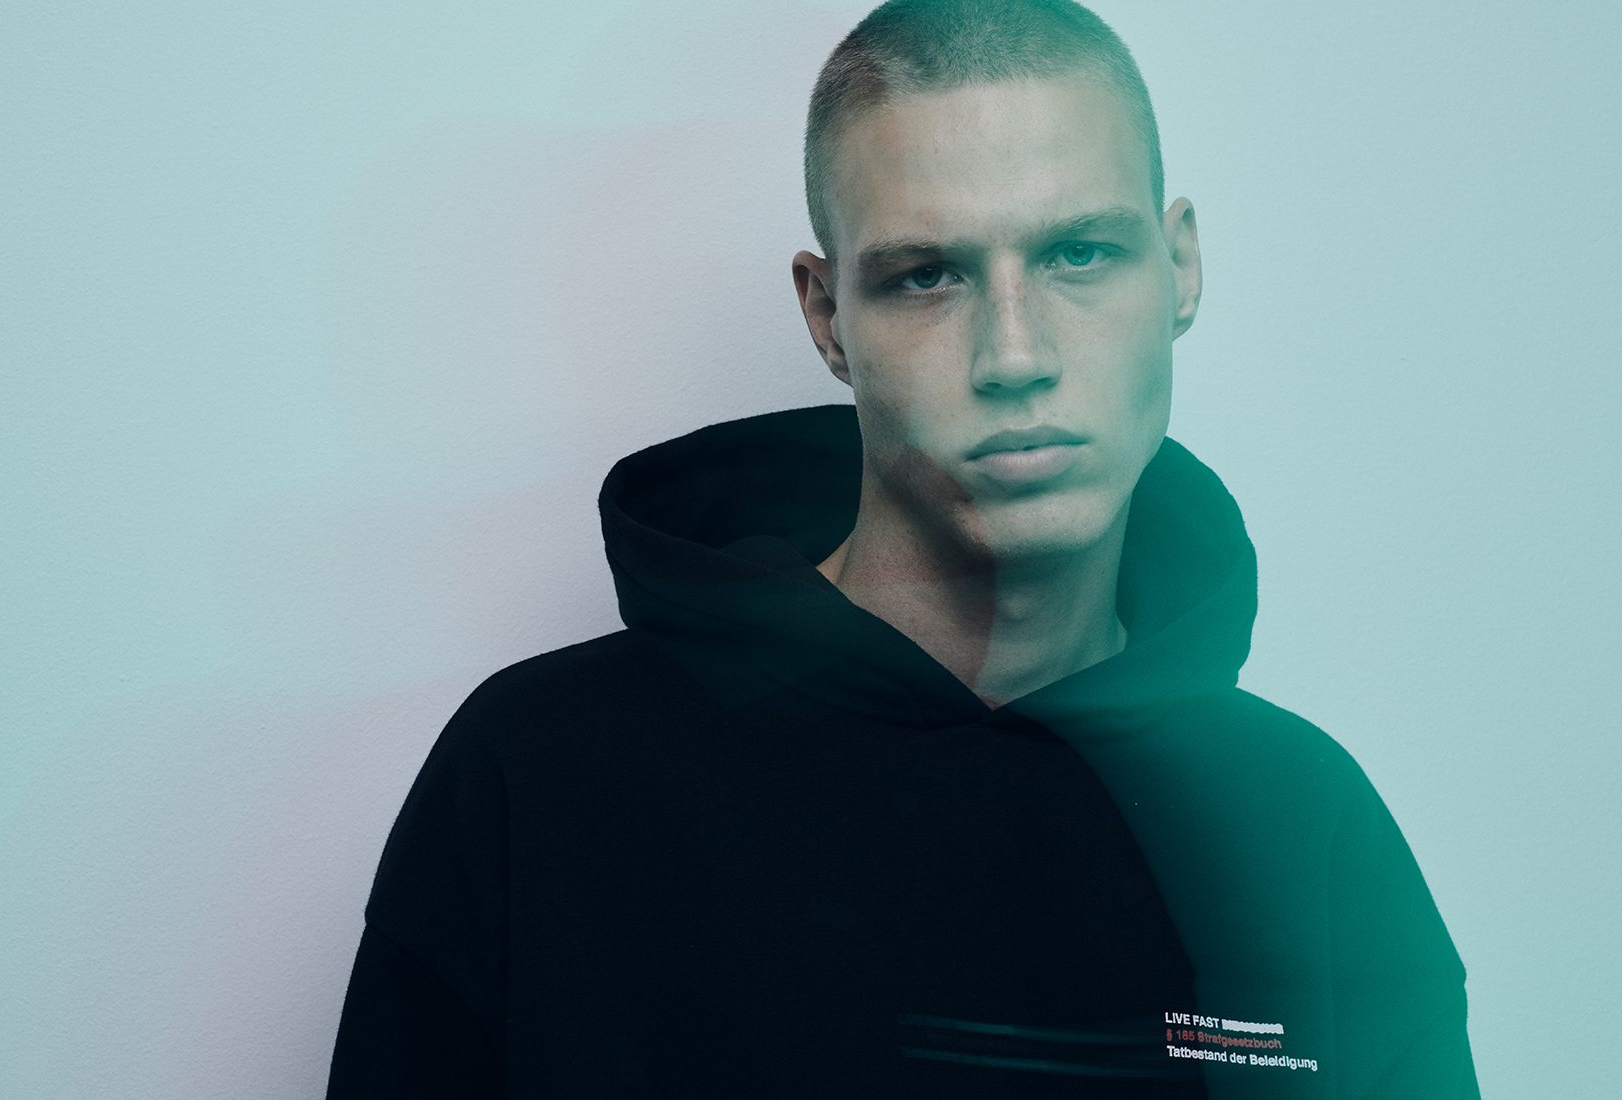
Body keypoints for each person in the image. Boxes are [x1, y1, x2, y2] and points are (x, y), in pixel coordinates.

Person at [325, 1, 1481, 1096]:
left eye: (1080, 253)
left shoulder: (1303, 828)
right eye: (928, 275)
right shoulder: (538, 778)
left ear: (1179, 267)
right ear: (828, 316)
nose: (1015, 354)